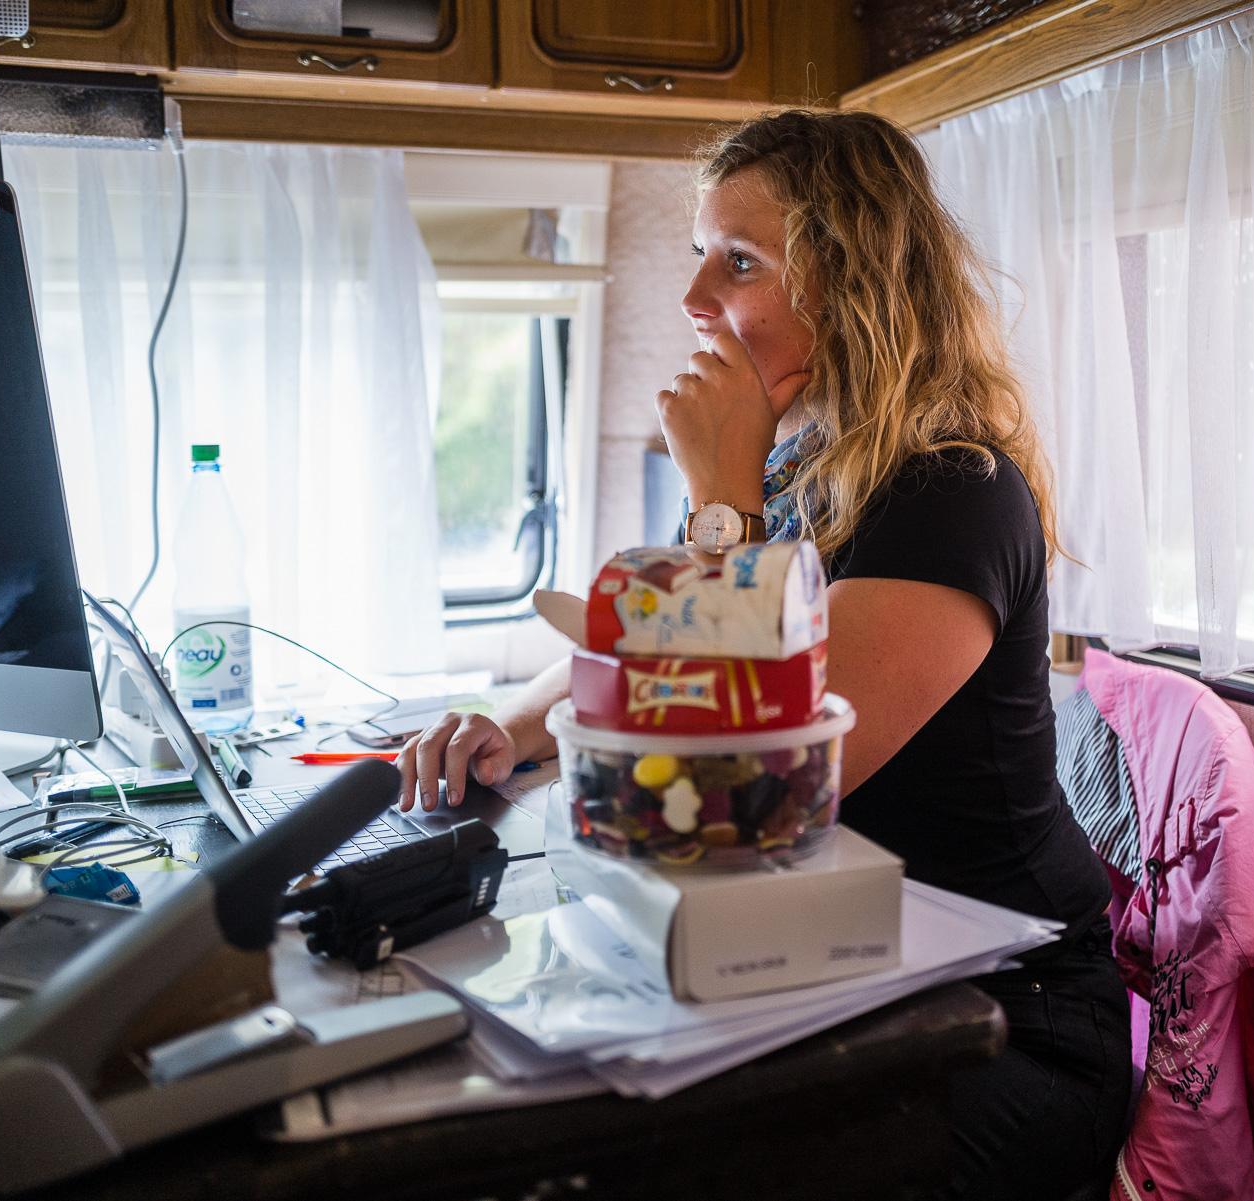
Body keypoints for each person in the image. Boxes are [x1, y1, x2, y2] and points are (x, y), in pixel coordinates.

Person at [396, 109, 1130, 1199]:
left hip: (996, 1021)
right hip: (829, 965)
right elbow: (643, 636)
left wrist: (721, 504)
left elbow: (753, 785)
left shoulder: (956, 493)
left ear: (853, 286)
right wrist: (503, 727)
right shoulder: (805, 472)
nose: (695, 300)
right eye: (701, 255)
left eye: (738, 263)